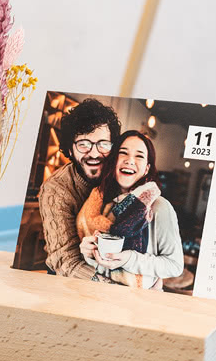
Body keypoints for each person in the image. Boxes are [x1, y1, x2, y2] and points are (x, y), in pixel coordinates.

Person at [77, 130, 184, 289]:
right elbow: (102, 264)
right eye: (123, 153)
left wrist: (129, 259)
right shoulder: (102, 204)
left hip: (137, 305)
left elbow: (174, 265)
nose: (129, 160)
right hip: (98, 295)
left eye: (139, 156)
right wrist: (88, 253)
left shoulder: (159, 207)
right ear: (114, 162)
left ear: (147, 168)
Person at [38, 98, 121, 279]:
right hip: (71, 276)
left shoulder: (121, 180)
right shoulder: (55, 189)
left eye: (103, 144)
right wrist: (110, 288)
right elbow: (66, 261)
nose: (93, 153)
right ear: (69, 148)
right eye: (83, 144)